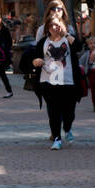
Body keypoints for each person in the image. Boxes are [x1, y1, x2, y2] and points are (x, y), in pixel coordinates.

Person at [31, 8, 84, 149]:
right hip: (48, 80)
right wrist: (36, 61)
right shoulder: (43, 42)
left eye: (57, 24)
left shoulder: (68, 40)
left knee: (69, 112)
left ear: (62, 25)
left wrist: (66, 34)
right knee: (54, 111)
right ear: (47, 28)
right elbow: (34, 57)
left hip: (68, 81)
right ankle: (57, 138)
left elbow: (79, 47)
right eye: (51, 25)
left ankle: (67, 127)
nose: (54, 27)